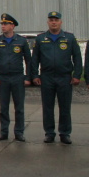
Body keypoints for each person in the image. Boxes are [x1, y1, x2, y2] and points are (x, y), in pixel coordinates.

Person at [31, 11, 82, 145]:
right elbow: (35, 59)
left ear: (61, 22)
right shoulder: (41, 39)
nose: (54, 22)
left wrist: (77, 75)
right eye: (51, 20)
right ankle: (49, 133)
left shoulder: (69, 38)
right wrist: (35, 75)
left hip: (64, 77)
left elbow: (77, 57)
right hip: (46, 77)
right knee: (47, 107)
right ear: (48, 22)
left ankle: (65, 133)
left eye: (56, 20)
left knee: (64, 107)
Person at [0, 13, 32, 142]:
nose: (3, 26)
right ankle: (4, 132)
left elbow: (28, 61)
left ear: (12, 26)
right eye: (2, 24)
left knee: (19, 107)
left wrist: (27, 77)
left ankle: (19, 132)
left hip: (17, 77)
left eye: (5, 24)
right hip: (3, 78)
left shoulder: (21, 41)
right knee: (3, 107)